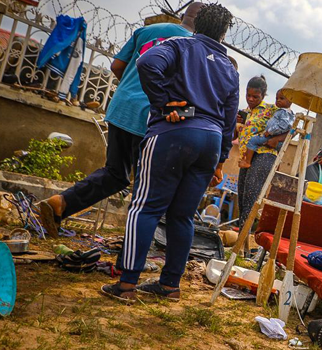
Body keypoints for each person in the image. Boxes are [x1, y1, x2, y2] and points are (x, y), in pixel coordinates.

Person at [100, 3, 238, 302]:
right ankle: (170, 285)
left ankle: (126, 285)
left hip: (175, 132)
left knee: (145, 207)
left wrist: (163, 103)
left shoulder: (179, 45)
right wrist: (221, 160)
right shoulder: (230, 67)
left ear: (197, 23)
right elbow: (229, 121)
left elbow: (147, 64)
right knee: (183, 216)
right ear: (225, 33)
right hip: (211, 142)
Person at [38, 2, 206, 236]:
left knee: (116, 174)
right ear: (204, 23)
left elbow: (117, 66)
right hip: (151, 116)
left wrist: (131, 89)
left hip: (121, 106)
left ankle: (61, 203)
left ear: (184, 16)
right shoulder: (194, 47)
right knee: (146, 185)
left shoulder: (147, 32)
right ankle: (132, 245)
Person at [236, 76, 286, 229]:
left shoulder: (272, 109)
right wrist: (236, 123)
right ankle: (243, 237)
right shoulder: (244, 112)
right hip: (246, 156)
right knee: (242, 195)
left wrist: (277, 139)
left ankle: (243, 236)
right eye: (248, 95)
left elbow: (291, 128)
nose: (250, 99)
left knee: (252, 192)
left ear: (264, 95)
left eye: (255, 97)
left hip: (264, 153)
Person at [238, 89, 295, 169]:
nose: (278, 100)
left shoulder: (277, 110)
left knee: (253, 141)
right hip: (254, 150)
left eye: (281, 98)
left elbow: (288, 127)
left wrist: (272, 133)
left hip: (266, 149)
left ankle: (247, 161)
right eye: (277, 98)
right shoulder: (247, 111)